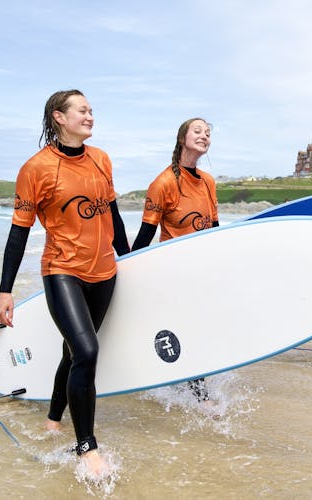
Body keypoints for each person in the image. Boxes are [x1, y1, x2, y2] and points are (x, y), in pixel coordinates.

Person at [0, 89, 130, 476]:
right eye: (82, 110)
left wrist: (132, 257)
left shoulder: (101, 159)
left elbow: (113, 216)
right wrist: (5, 290)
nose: (90, 115)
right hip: (62, 270)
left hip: (104, 272)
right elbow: (18, 233)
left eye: (91, 110)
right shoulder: (36, 168)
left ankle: (53, 417)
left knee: (74, 353)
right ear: (59, 117)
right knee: (87, 350)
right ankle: (86, 447)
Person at [131, 117, 218, 405]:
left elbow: (215, 232)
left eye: (208, 133)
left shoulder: (208, 183)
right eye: (198, 131)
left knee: (202, 328)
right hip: (173, 272)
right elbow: (146, 234)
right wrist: (127, 269)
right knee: (187, 328)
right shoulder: (163, 183)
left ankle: (181, 381)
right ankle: (201, 398)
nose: (204, 136)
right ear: (183, 138)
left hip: (201, 270)